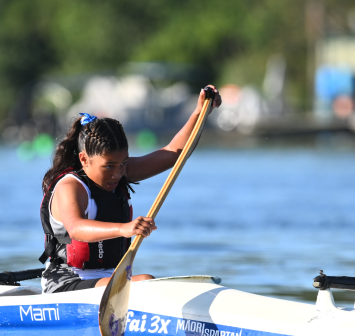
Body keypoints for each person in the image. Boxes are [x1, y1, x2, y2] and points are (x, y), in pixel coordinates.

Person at [39, 85, 221, 293]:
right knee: (145, 281)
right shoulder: (70, 186)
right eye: (109, 166)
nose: (118, 174)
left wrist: (200, 112)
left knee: (146, 281)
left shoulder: (119, 171)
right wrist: (124, 228)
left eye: (123, 163)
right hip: (65, 282)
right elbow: (76, 228)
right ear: (84, 159)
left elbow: (174, 152)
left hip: (109, 278)